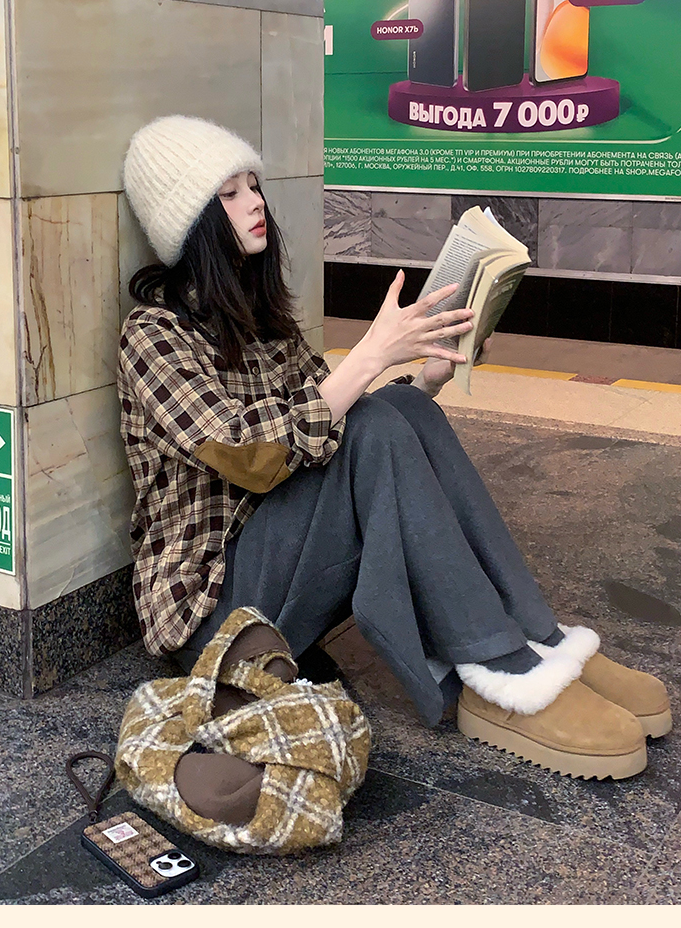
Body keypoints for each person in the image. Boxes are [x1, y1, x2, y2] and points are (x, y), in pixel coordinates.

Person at [117, 115, 671, 782]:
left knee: (400, 408)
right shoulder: (153, 336)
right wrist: (371, 354)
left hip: (284, 572)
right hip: (214, 615)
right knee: (375, 422)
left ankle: (540, 642)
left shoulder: (263, 326)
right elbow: (249, 455)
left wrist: (426, 379)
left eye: (253, 186)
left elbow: (339, 425)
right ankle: (499, 673)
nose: (255, 202)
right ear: (192, 224)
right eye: (229, 194)